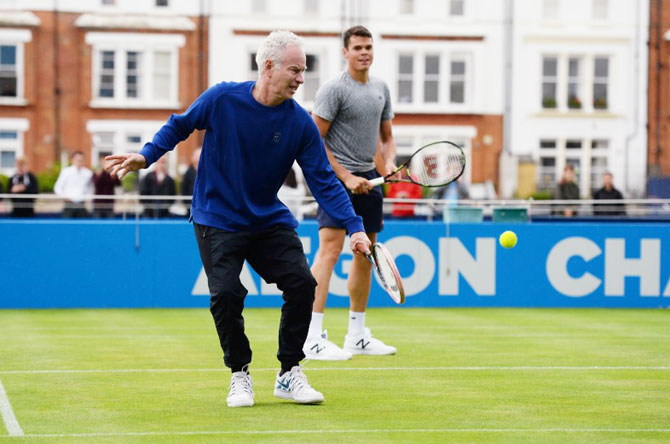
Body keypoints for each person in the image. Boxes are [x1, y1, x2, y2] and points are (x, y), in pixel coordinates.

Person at [104, 30, 371, 408]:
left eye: (304, 71)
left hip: (267, 218)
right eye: (295, 70)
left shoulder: (300, 123)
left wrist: (356, 228)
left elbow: (324, 181)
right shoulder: (221, 98)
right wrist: (146, 156)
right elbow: (180, 125)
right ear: (268, 67)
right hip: (216, 217)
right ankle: (240, 373)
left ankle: (289, 372)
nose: (300, 78)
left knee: (301, 283)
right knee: (226, 294)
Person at [303, 25, 397, 361]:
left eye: (368, 47)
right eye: (357, 47)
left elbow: (386, 136)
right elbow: (314, 140)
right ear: (345, 52)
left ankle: (356, 335)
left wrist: (387, 165)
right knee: (329, 252)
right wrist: (345, 176)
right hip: (335, 179)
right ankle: (312, 337)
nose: (364, 52)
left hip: (370, 180)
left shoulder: (381, 89)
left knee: (365, 254)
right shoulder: (333, 90)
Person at [54, 151, 93, 218]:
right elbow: (58, 187)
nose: (79, 162)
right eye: (77, 160)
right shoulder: (66, 172)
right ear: (72, 160)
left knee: (82, 226)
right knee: (67, 226)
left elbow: (90, 188)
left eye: (81, 160)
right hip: (69, 204)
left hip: (81, 204)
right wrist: (64, 197)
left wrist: (88, 197)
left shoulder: (88, 173)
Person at [92, 154, 120, 218]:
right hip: (98, 203)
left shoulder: (113, 172)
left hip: (109, 202)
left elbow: (118, 184)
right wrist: (100, 173)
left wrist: (113, 174)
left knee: (110, 222)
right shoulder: (97, 172)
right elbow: (96, 184)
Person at [181, 148, 201, 217]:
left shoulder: (207, 172)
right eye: (197, 156)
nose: (198, 159)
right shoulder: (188, 173)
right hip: (190, 206)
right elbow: (184, 190)